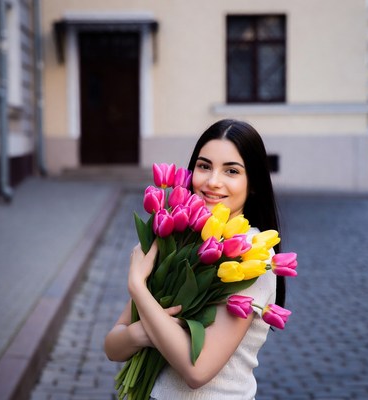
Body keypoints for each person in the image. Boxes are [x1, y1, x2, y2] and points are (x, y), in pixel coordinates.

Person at [104, 119, 286, 399]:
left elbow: (197, 371)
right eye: (204, 166)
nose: (213, 181)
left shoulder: (253, 253)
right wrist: (139, 334)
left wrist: (138, 287)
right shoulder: (180, 238)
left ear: (253, 185)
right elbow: (112, 347)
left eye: (231, 171)